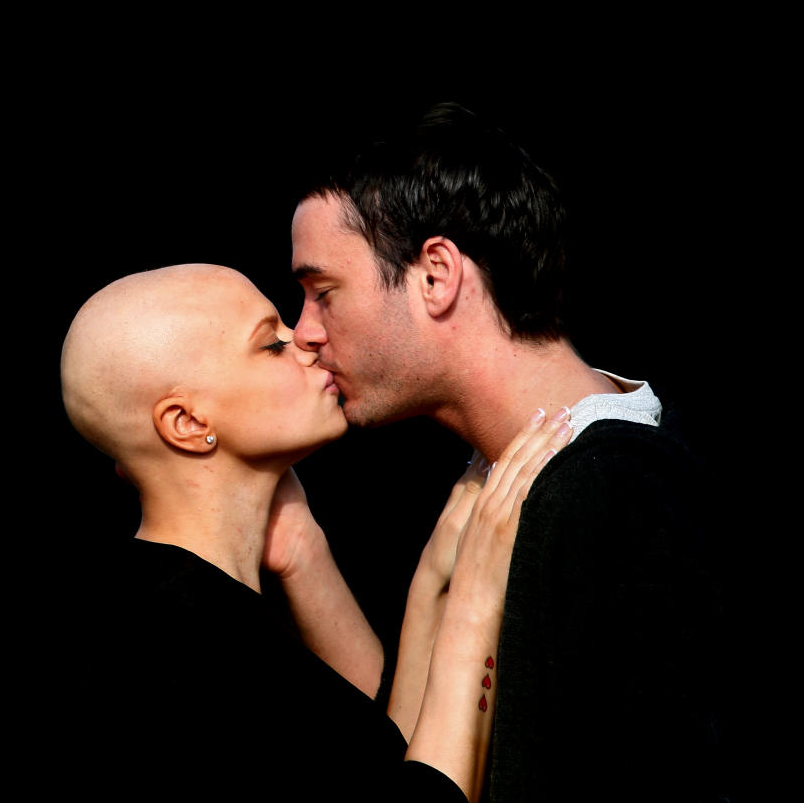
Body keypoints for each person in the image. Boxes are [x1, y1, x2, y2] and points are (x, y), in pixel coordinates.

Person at [287, 102, 731, 801]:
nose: (304, 331)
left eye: (322, 292)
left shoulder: (617, 493)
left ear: (436, 275)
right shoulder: (494, 488)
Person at [60, 263, 573, 799]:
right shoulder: (171, 651)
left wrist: (430, 579)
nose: (305, 340)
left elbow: (378, 758)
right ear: (187, 424)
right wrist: (474, 603)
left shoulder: (193, 608)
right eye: (270, 345)